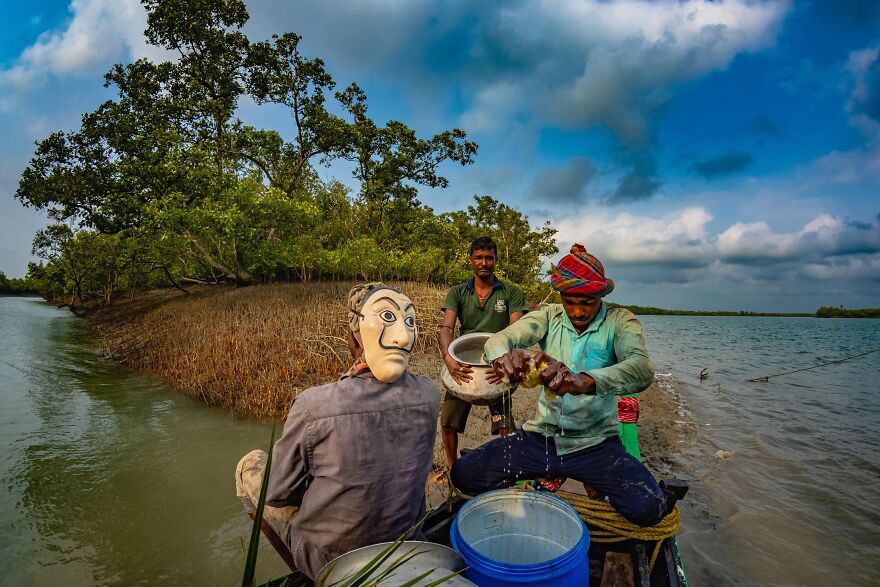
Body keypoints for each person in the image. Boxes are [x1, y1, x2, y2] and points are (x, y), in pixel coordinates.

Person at [451, 244, 670, 527]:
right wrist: (504, 358)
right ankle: (550, 474)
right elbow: (497, 340)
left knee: (649, 508)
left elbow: (641, 369)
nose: (577, 311)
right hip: (540, 439)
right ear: (561, 297)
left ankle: (566, 476)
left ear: (601, 296)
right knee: (464, 474)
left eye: (587, 303)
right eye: (570, 302)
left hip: (595, 444)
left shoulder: (620, 321)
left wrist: (583, 381)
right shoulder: (549, 315)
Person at [235, 283, 440, 579]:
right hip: (406, 544)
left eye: (409, 321)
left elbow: (278, 494)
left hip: (336, 560)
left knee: (249, 466)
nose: (403, 332)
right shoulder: (429, 393)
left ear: (353, 335)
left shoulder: (314, 405)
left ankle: (306, 571)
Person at [439, 236, 527, 469]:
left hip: (497, 363)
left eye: (489, 258)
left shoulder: (511, 292)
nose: (484, 262)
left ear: (496, 260)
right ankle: (452, 468)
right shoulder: (458, 292)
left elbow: (517, 331)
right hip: (464, 360)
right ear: (471, 260)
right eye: (479, 257)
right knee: (447, 421)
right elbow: (447, 327)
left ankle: (508, 467)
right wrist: (448, 358)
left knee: (505, 425)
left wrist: (507, 365)